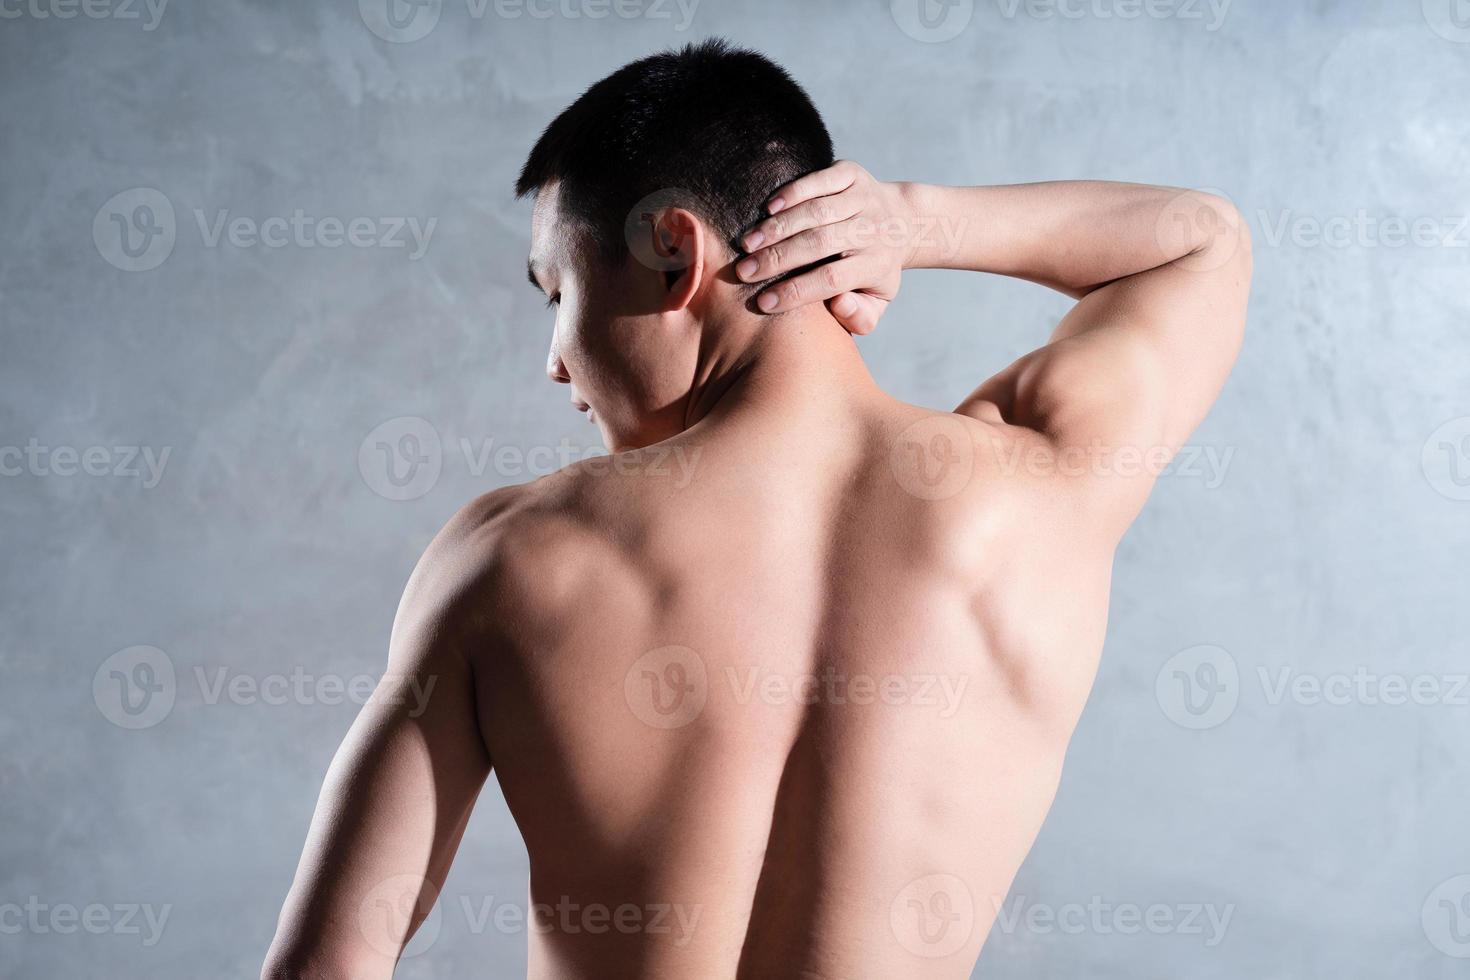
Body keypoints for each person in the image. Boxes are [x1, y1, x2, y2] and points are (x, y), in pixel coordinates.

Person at [261, 38, 1250, 980]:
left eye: (557, 288)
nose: (555, 358)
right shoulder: (1039, 494)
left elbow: (323, 966)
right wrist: (914, 218)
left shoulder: (512, 558)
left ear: (672, 250)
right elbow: (1201, 243)